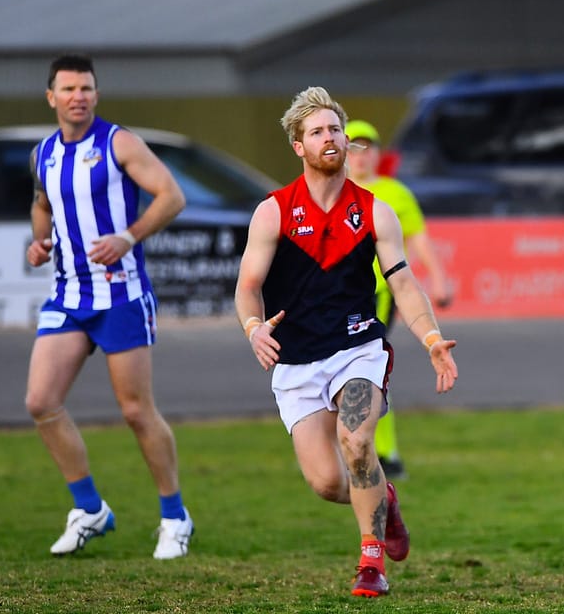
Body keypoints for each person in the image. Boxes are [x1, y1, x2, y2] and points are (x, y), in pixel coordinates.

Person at [234, 86, 457, 598]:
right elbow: (247, 289)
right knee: (329, 483)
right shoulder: (273, 212)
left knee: (358, 442)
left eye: (335, 129)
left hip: (357, 349)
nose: (330, 138)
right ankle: (387, 498)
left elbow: (403, 281)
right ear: (298, 145)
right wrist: (254, 328)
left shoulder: (376, 211)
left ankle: (370, 563)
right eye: (317, 132)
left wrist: (430, 338)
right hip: (296, 363)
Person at [24, 53, 195, 558]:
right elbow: (42, 203)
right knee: (40, 402)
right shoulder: (43, 154)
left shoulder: (117, 142)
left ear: (96, 95)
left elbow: (171, 195)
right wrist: (40, 243)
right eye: (69, 89)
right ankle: (90, 508)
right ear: (51, 97)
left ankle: (174, 516)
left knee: (136, 411)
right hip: (69, 295)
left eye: (87, 89)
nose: (79, 97)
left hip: (120, 294)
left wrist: (128, 236)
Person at [343, 118, 452, 480]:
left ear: (378, 154)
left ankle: (386, 453)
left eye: (367, 147)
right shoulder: (331, 191)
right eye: (353, 147)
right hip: (331, 295)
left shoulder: (395, 193)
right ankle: (335, 448)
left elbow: (419, 239)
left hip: (376, 295)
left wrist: (439, 281)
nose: (360, 156)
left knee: (368, 369)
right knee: (330, 371)